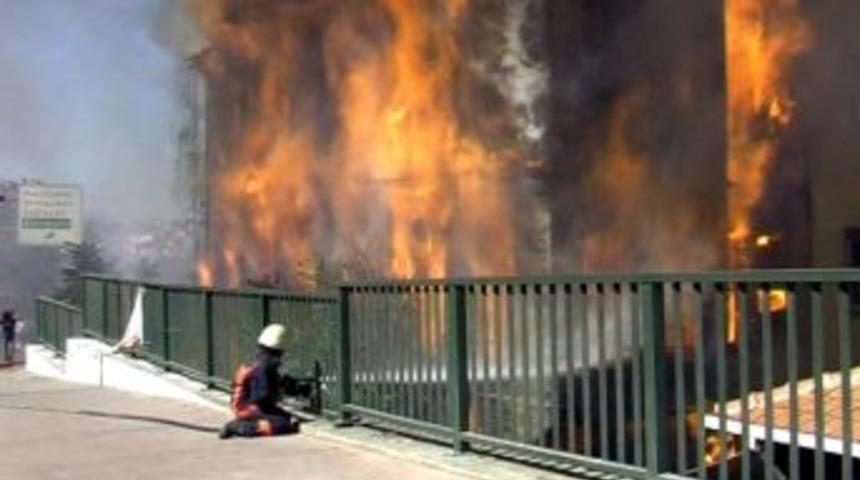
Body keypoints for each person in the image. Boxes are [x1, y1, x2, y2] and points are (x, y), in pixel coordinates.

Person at [219, 324, 314, 439]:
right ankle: (239, 427)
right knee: (284, 423)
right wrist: (280, 389)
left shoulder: (257, 357)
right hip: (248, 407)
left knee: (288, 419)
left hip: (241, 404)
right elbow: (260, 396)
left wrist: (283, 384)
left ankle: (246, 422)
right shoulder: (266, 365)